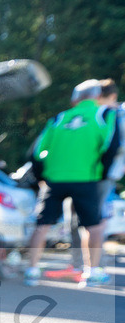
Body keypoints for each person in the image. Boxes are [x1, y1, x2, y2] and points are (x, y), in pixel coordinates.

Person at [24, 81, 120, 287]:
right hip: (86, 178)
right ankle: (91, 272)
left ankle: (31, 269)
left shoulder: (58, 118)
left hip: (55, 180)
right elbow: (110, 146)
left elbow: (35, 152)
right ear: (97, 96)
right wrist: (102, 172)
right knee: (93, 226)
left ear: (74, 99)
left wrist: (41, 176)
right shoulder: (104, 115)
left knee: (42, 225)